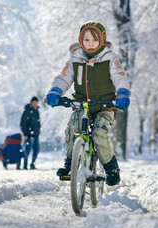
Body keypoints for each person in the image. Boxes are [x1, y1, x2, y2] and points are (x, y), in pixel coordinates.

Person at [46, 21, 131, 186]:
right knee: (72, 129)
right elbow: (64, 77)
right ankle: (71, 163)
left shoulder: (110, 58)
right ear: (80, 41)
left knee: (99, 133)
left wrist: (122, 93)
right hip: (82, 105)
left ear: (102, 40)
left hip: (105, 106)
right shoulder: (75, 60)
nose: (90, 43)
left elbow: (120, 77)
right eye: (86, 40)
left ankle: (111, 167)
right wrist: (55, 91)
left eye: (94, 40)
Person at [20, 96, 41, 170]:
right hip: (28, 135)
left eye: (36, 102)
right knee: (28, 151)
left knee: (36, 150)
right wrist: (25, 134)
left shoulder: (36, 111)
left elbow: (38, 123)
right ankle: (25, 165)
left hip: (36, 135)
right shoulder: (27, 111)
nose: (35, 104)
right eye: (34, 102)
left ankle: (32, 164)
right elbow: (23, 123)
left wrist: (38, 132)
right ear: (31, 103)